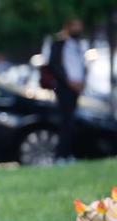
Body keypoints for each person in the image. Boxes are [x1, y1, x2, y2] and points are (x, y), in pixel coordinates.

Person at [48, 18, 87, 162]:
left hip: (76, 88)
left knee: (71, 122)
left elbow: (81, 66)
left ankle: (68, 153)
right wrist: (68, 81)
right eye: (75, 26)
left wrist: (82, 83)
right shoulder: (59, 44)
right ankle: (60, 155)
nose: (78, 29)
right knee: (65, 121)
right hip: (64, 88)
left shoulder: (79, 45)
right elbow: (54, 65)